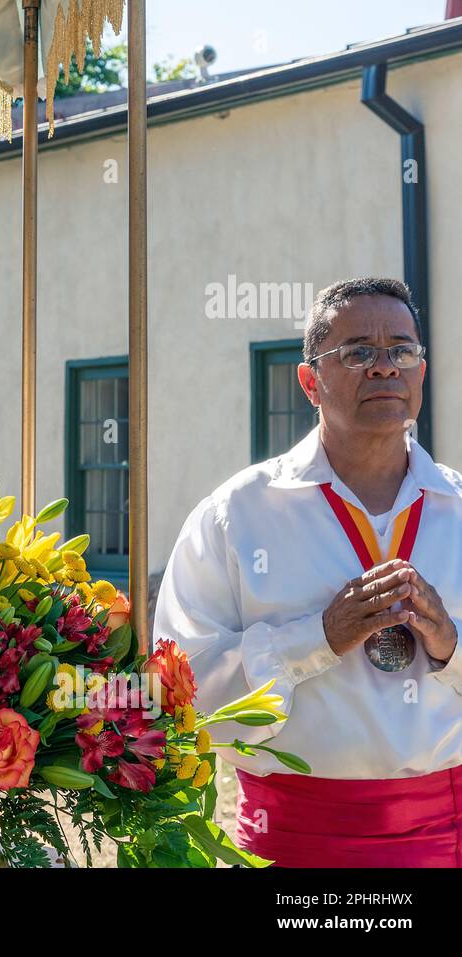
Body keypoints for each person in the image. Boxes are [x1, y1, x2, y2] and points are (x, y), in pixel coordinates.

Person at [153, 278, 462, 867]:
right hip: (290, 841)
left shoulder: (459, 509)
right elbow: (182, 696)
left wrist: (452, 645)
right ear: (309, 382)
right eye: (357, 353)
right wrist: (315, 639)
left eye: (401, 350)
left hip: (443, 842)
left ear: (421, 372)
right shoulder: (235, 516)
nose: (383, 368)